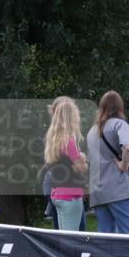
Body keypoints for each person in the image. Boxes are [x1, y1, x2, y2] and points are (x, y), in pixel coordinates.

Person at [86, 90, 129, 235]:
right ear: (119, 106)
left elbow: (89, 162)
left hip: (98, 191)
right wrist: (124, 165)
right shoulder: (119, 124)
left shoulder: (92, 131)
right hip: (118, 188)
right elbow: (128, 148)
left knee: (106, 236)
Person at [43, 96, 88, 231]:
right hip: (70, 196)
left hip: (59, 193)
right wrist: (82, 158)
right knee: (70, 237)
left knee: (64, 234)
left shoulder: (54, 139)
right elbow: (81, 167)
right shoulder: (69, 141)